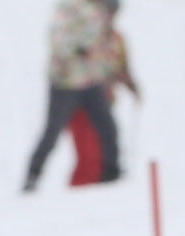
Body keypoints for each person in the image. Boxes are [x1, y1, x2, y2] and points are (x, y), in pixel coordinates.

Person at [25, 0, 131, 192]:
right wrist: (77, 49)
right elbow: (56, 39)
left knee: (108, 128)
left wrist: (117, 75)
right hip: (65, 82)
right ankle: (32, 177)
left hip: (91, 81)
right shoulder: (70, 7)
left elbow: (102, 50)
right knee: (52, 133)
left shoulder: (99, 13)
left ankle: (111, 175)